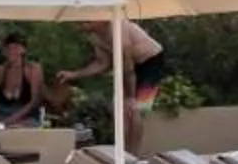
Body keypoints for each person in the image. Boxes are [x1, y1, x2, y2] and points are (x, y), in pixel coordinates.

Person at [62, 18, 167, 147]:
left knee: (135, 109)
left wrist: (130, 95)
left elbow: (128, 68)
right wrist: (74, 74)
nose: (83, 22)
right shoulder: (95, 37)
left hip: (151, 61)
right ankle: (123, 151)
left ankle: (133, 154)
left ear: (102, 19)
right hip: (130, 64)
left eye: (88, 19)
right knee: (120, 107)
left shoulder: (118, 28)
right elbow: (102, 63)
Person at [0, 33, 51, 129]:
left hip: (26, 118)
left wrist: (8, 122)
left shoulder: (33, 70)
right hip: (2, 116)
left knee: (19, 128)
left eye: (15, 48)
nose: (11, 51)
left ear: (23, 50)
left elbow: (34, 101)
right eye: (8, 48)